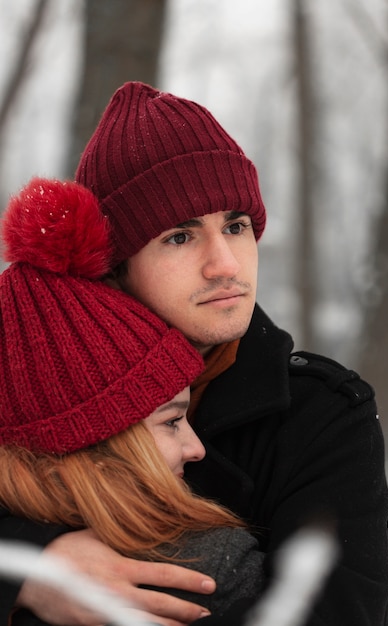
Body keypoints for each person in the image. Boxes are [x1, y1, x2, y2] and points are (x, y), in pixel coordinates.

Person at [0, 82, 388, 626]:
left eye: (236, 227)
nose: (225, 265)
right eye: (180, 237)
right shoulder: (32, 385)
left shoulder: (322, 415)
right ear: (116, 265)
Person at [0, 177, 265, 626]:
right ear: (95, 444)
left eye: (237, 226)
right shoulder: (209, 568)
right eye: (171, 422)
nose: (197, 448)